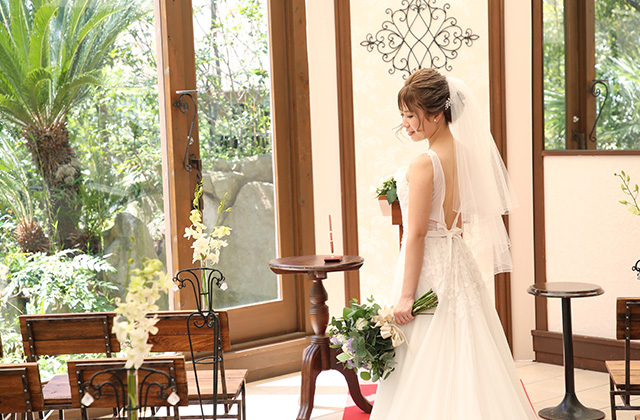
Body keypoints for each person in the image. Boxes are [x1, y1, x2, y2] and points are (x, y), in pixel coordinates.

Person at [368, 69, 537, 419]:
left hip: (428, 264)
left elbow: (416, 234)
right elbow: (458, 220)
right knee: (467, 347)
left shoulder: (424, 163)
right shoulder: (465, 154)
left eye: (410, 115)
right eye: (403, 115)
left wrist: (406, 295)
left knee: (426, 353)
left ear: (435, 114)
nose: (405, 125)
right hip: (456, 258)